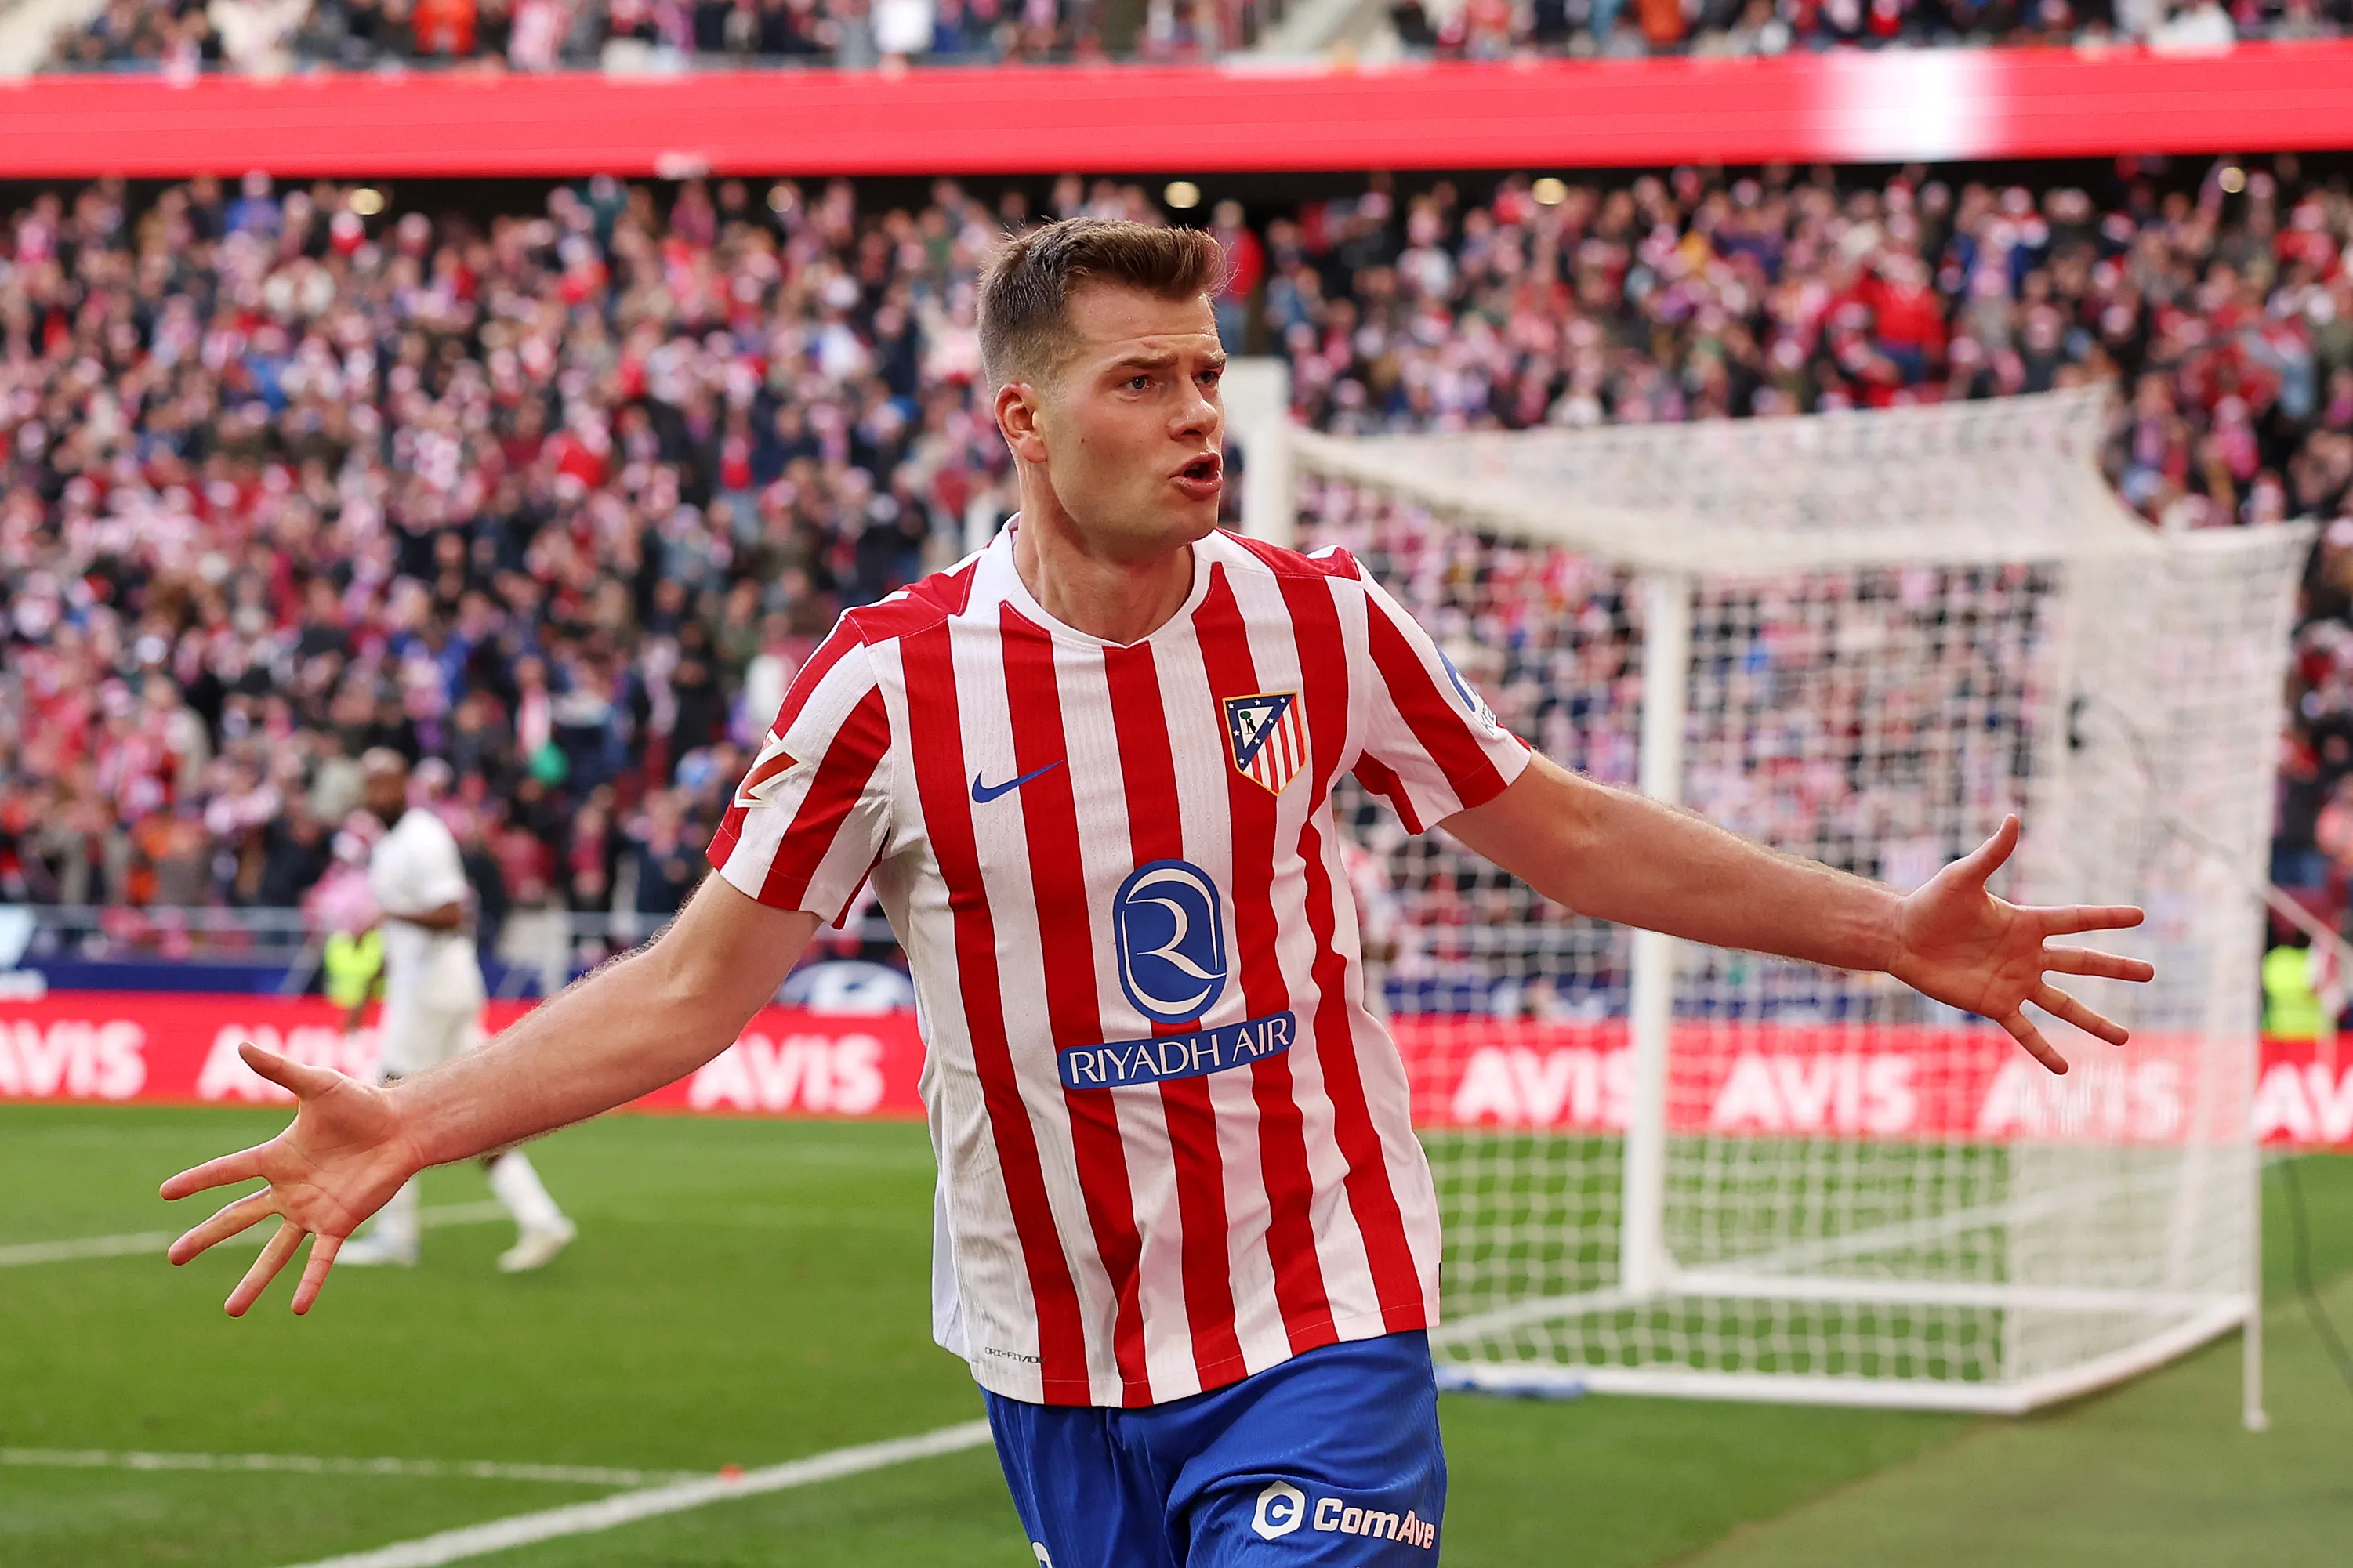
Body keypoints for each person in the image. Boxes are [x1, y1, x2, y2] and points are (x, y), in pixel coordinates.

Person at [164, 219, 2152, 1566]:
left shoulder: (1318, 622)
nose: (1197, 413)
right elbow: (697, 985)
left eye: (1205, 372)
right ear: (1022, 421)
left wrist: (1881, 928)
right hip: (1053, 1348)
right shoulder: (886, 687)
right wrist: (419, 1116)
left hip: (1318, 1299)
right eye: (1141, 380)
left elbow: (1567, 832)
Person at [332, 748, 577, 1274]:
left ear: (404, 784)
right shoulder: (391, 844)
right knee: (478, 1116)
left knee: (385, 1108)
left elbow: (451, 913)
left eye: (385, 783)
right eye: (370, 785)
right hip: (434, 988)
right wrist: (368, 988)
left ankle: (397, 1236)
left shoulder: (423, 837)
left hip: (432, 990)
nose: (377, 794)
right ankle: (540, 1218)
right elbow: (404, 932)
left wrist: (385, 915)